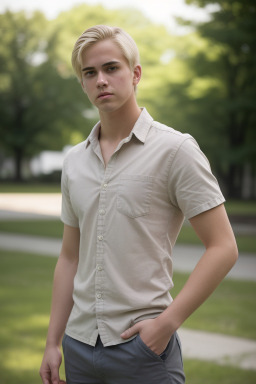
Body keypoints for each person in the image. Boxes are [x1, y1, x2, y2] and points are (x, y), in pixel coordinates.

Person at [39, 25, 238, 384]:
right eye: (90, 73)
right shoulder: (74, 162)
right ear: (82, 83)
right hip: (78, 347)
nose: (101, 80)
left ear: (135, 74)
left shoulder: (176, 150)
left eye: (111, 68)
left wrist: (166, 325)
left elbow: (223, 247)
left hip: (143, 349)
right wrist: (53, 341)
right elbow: (70, 256)